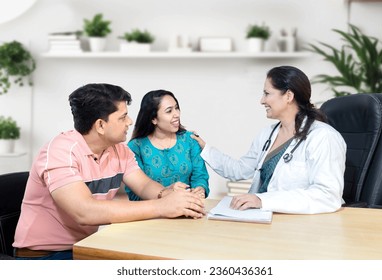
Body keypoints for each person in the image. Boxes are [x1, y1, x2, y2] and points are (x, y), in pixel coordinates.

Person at [13, 83, 205, 260]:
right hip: (43, 255)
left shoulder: (119, 150)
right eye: (122, 117)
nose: (130, 121)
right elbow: (85, 212)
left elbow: (144, 184)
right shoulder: (60, 151)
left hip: (84, 247)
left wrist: (166, 193)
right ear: (100, 125)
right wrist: (162, 206)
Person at [192, 65, 347, 214]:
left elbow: (328, 195)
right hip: (261, 217)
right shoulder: (267, 134)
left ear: (288, 96)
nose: (262, 101)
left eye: (267, 93)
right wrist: (205, 148)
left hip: (299, 227)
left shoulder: (323, 137)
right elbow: (239, 170)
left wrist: (262, 200)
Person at [125, 89, 209, 201]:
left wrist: (200, 189)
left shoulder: (190, 140)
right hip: (152, 214)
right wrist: (167, 191)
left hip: (189, 208)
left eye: (177, 108)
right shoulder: (136, 147)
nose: (177, 114)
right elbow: (134, 194)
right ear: (153, 119)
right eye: (169, 111)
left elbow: (200, 176)